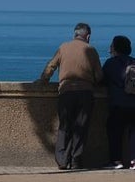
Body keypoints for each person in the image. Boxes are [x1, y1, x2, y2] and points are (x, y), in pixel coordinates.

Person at [36, 22, 103, 170]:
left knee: (65, 125)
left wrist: (43, 81)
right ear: (88, 36)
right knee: (81, 127)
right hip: (85, 93)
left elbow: (51, 66)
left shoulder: (63, 47)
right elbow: (99, 75)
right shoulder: (91, 50)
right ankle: (76, 160)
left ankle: (61, 160)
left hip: (66, 91)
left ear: (75, 34)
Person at [101, 34, 135, 170]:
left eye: (111, 46)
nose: (109, 50)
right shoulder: (134, 61)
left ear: (115, 48)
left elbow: (101, 81)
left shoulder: (110, 63)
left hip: (121, 103)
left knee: (114, 129)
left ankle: (116, 161)